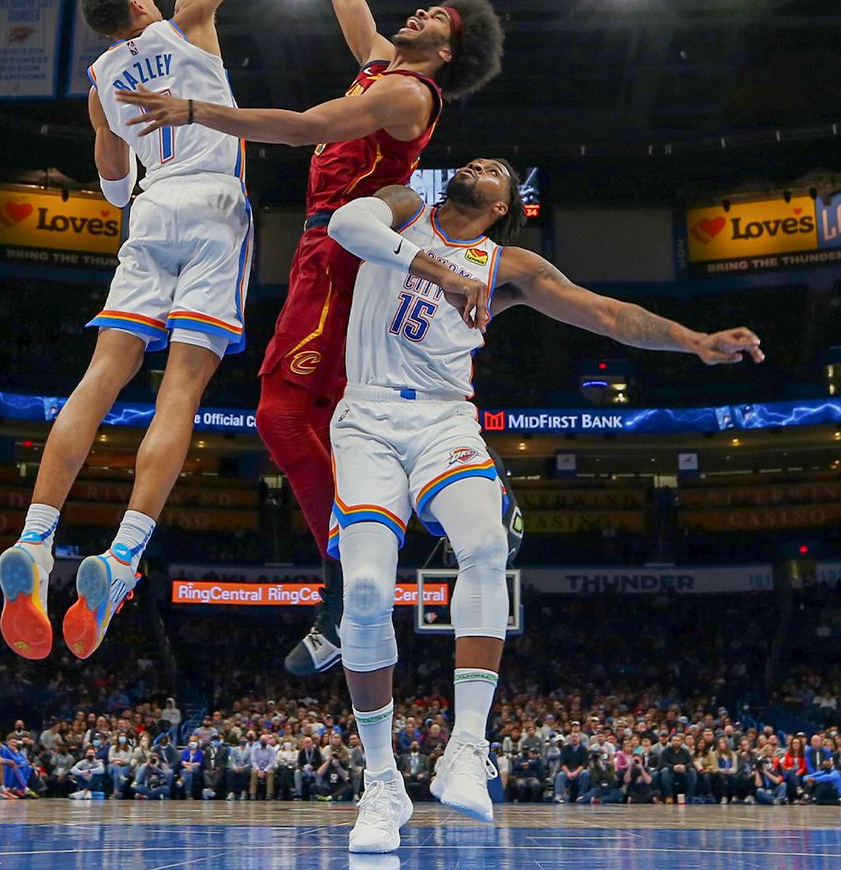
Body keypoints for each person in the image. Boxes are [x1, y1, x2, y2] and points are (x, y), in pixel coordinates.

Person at [117, 0, 505, 678]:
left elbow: (302, 129)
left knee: (283, 416)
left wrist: (195, 112)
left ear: (448, 51)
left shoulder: (405, 92)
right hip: (325, 251)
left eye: (440, 17)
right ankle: (370, 557)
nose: (423, 11)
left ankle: (347, 585)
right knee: (313, 420)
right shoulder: (379, 65)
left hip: (339, 257)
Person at [320, 159, 763, 852]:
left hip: (444, 420)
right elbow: (348, 224)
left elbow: (611, 315)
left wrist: (694, 341)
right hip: (365, 420)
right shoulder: (404, 205)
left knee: (489, 547)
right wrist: (443, 274)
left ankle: (467, 747)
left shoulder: (509, 264)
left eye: (496, 171)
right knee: (369, 591)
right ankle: (381, 785)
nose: (481, 164)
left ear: (503, 207)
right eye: (478, 160)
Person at [0, 0, 301, 663]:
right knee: (182, 389)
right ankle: (122, 555)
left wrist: (134, 207)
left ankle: (36, 537)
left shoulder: (98, 85)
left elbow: (108, 169)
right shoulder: (191, 18)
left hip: (149, 214)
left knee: (101, 377)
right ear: (140, 6)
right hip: (211, 207)